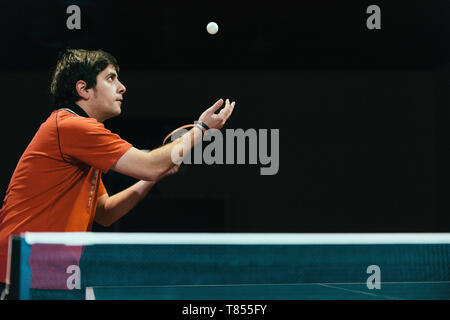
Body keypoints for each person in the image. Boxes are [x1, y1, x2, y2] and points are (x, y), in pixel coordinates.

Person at [0, 49, 235, 296]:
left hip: (54, 277)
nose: (122, 87)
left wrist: (151, 179)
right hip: (18, 272)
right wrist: (202, 129)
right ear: (84, 89)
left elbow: (105, 212)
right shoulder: (71, 126)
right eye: (111, 78)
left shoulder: (80, 140)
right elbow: (150, 165)